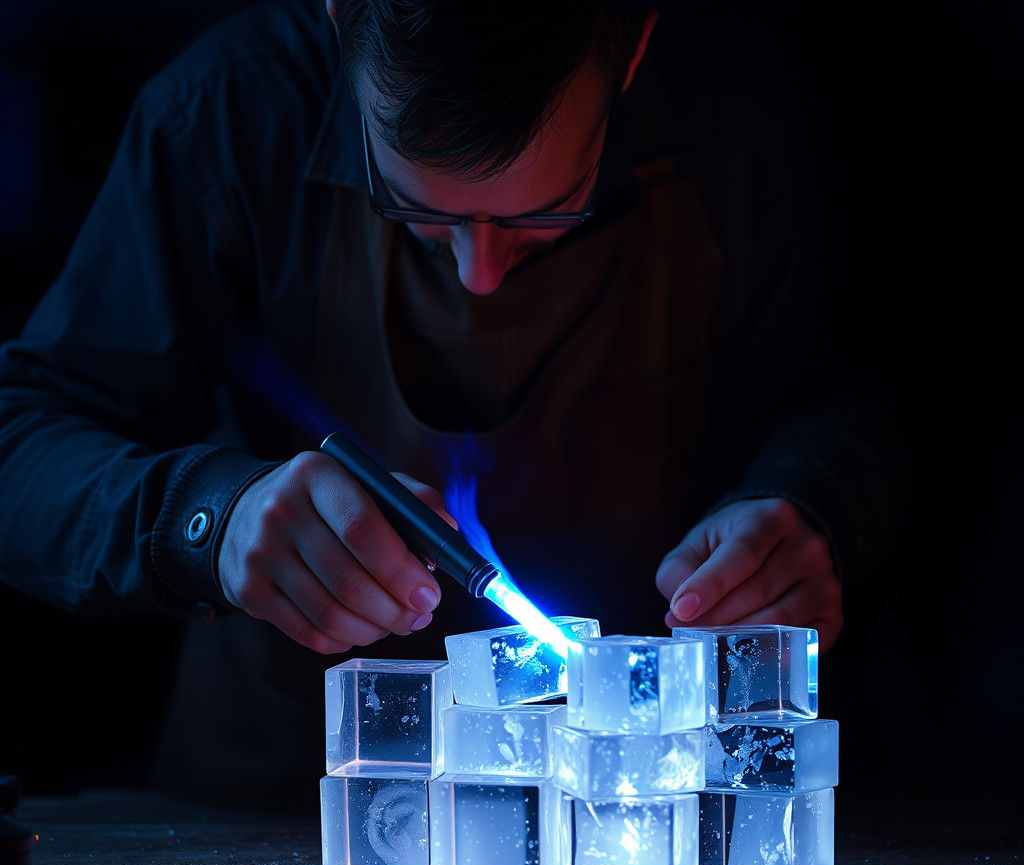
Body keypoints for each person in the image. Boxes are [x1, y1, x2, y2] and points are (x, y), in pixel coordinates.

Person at [0, 0, 901, 796]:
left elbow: (872, 390)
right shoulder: (229, 117)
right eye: (418, 211)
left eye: (545, 212)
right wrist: (212, 518)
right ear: (334, 18)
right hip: (269, 815)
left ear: (631, 47)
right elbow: (20, 442)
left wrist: (810, 501)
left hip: (636, 806)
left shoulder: (741, 129)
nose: (481, 277)